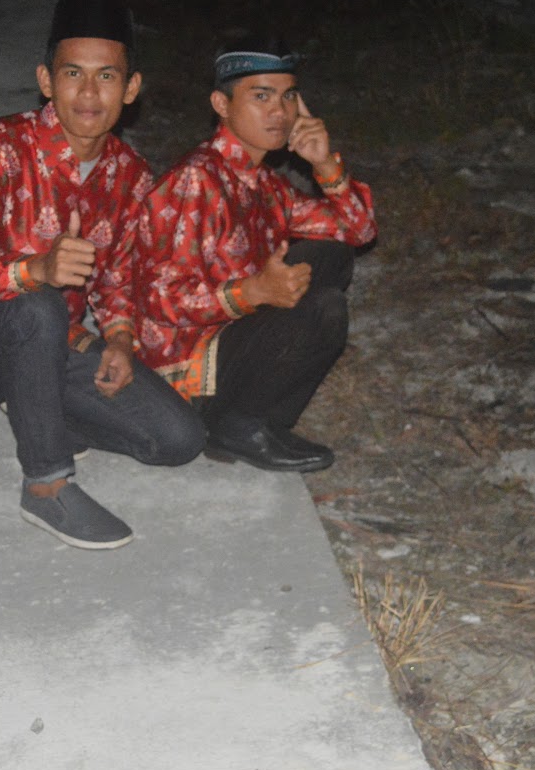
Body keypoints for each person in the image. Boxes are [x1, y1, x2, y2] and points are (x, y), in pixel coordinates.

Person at [0, 0, 205, 550]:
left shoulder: (131, 175)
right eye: (73, 74)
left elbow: (118, 280)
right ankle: (46, 486)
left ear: (131, 89)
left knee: (178, 438)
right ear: (46, 80)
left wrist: (119, 340)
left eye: (107, 76)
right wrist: (36, 269)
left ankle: (33, 398)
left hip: (52, 341)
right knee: (37, 304)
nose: (89, 93)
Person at [128, 38, 376, 472]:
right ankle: (239, 426)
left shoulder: (262, 181)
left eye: (288, 96)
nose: (279, 112)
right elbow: (159, 300)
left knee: (332, 255)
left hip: (229, 334)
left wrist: (324, 164)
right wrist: (252, 292)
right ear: (221, 104)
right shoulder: (194, 181)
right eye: (261, 97)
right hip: (183, 367)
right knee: (323, 308)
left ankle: (256, 415)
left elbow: (358, 230)